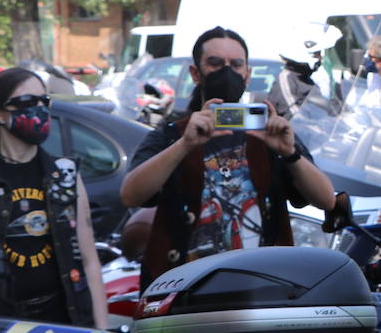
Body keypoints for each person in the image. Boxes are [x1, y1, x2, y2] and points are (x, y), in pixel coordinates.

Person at [121, 26, 336, 289]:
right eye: (215, 63)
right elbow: (131, 195)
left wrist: (290, 154)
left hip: (262, 289)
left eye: (236, 64)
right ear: (195, 73)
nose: (227, 72)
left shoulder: (269, 133)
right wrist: (185, 145)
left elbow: (326, 199)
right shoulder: (173, 135)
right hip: (183, 290)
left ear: (247, 74)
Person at [0, 67, 108, 327]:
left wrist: (102, 331)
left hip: (62, 320)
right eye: (27, 102)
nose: (40, 109)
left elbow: (89, 261)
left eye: (44, 101)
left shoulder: (65, 174)